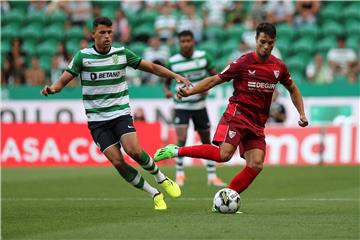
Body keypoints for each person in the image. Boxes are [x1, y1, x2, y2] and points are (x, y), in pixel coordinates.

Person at [40, 16, 192, 210]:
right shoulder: (83, 57)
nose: (107, 36)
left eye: (110, 32)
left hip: (120, 113)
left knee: (134, 151)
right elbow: (62, 82)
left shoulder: (121, 54)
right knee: (118, 162)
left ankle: (161, 178)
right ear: (92, 34)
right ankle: (154, 193)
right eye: (102, 32)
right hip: (97, 121)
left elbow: (152, 67)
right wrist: (52, 89)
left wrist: (175, 76)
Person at [154, 23, 309, 201]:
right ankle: (177, 150)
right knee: (224, 155)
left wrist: (302, 114)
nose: (266, 47)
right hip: (237, 116)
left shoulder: (278, 67)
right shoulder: (243, 62)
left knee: (256, 164)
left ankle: (226, 198)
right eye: (263, 42)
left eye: (270, 43)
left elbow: (293, 88)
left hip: (257, 123)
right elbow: (214, 80)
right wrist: (190, 91)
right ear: (256, 39)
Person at [163, 30, 226, 187]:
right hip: (181, 106)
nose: (185, 44)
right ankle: (180, 175)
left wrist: (207, 90)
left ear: (193, 42)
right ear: (179, 43)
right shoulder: (173, 62)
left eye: (188, 41)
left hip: (199, 106)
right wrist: (168, 92)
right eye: (182, 41)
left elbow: (215, 77)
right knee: (182, 139)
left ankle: (212, 176)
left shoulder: (203, 57)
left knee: (206, 140)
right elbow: (165, 83)